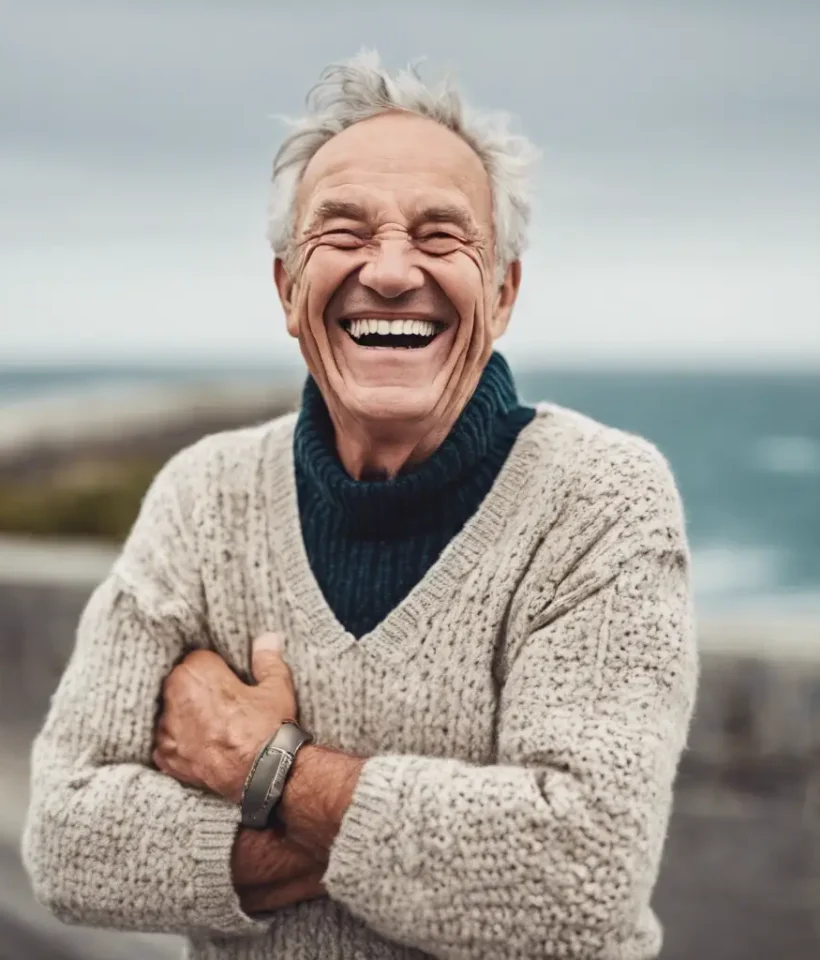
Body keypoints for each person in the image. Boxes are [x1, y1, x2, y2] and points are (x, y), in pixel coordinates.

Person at [22, 50, 698, 960]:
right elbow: (66, 840)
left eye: (439, 235)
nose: (388, 271)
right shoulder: (201, 498)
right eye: (342, 232)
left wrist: (265, 768)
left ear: (502, 292)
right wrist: (424, 836)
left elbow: (579, 872)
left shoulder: (601, 500)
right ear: (286, 290)